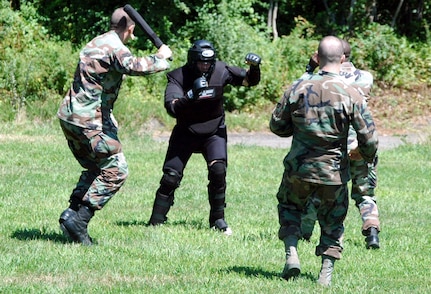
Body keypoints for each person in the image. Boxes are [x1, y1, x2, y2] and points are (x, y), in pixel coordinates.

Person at [57, 7, 173, 245]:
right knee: (116, 170)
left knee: (95, 167)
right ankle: (80, 221)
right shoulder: (114, 47)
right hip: (89, 120)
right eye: (132, 32)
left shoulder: (97, 41)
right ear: (129, 29)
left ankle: (70, 214)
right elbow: (134, 65)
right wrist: (161, 57)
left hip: (71, 117)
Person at [269, 36, 378, 286]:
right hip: (334, 172)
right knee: (333, 220)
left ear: (317, 57)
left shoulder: (297, 87)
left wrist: (298, 132)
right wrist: (363, 154)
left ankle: (292, 254)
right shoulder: (352, 92)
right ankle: (325, 275)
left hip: (299, 168)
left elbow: (277, 125)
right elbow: (369, 138)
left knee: (290, 208)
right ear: (342, 59)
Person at [148, 40, 261, 235]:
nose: (205, 66)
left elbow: (249, 81)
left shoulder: (221, 70)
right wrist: (191, 95)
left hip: (214, 130)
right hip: (186, 131)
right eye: (201, 63)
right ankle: (156, 220)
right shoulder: (178, 76)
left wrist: (255, 68)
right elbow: (172, 107)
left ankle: (217, 219)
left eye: (208, 63)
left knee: (218, 170)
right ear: (193, 62)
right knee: (170, 177)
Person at [300, 39, 381, 249]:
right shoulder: (366, 77)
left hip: (333, 146)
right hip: (361, 143)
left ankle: (304, 233)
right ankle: (372, 231)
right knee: (365, 193)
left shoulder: (322, 79)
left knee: (319, 192)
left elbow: (301, 88)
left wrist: (311, 66)